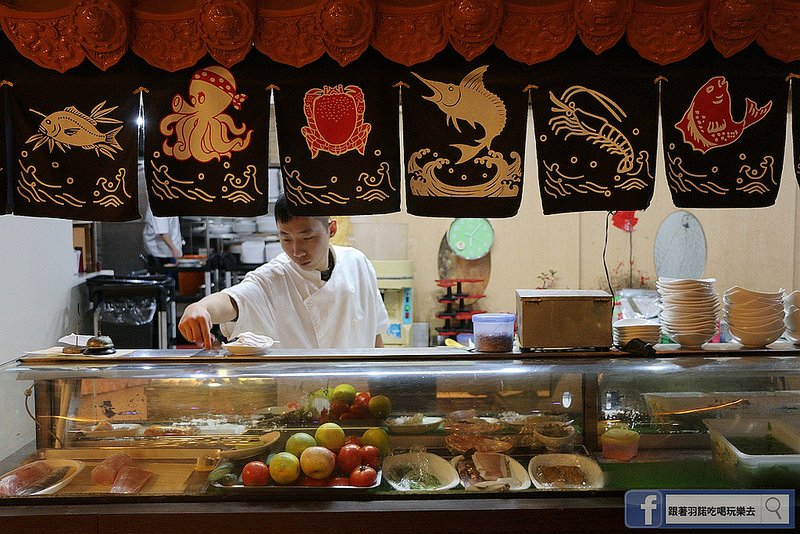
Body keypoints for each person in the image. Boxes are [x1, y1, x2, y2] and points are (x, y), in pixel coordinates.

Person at [178, 194, 389, 350]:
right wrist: (201, 307)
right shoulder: (274, 277)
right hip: (301, 400)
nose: (297, 251)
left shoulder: (358, 263)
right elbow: (235, 300)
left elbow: (376, 334)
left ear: (331, 229)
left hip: (360, 395)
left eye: (307, 238)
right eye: (286, 239)